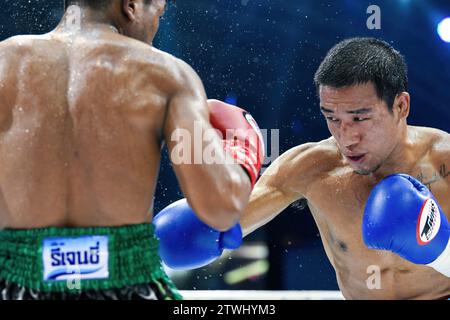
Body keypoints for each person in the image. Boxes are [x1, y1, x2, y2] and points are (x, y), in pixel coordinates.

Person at [0, 0, 263, 300]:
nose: (155, 29)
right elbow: (221, 208)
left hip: (15, 280)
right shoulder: (165, 74)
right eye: (159, 14)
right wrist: (243, 149)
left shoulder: (4, 61)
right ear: (132, 6)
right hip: (124, 280)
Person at [237, 37, 449, 300]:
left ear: (401, 106)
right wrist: (225, 174)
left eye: (360, 118)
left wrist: (442, 252)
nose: (346, 138)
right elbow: (220, 228)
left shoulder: (445, 163)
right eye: (332, 118)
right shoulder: (310, 168)